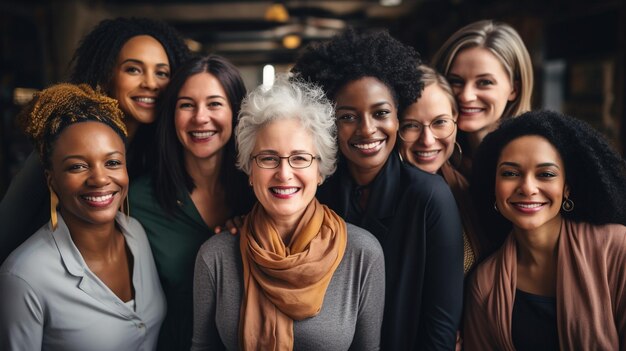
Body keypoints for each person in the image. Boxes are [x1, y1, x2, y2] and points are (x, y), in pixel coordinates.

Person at [292, 28, 463, 350]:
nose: (368, 129)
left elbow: (441, 322)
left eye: (381, 113)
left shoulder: (429, 196)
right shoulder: (313, 190)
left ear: (398, 117)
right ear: (329, 121)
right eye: (348, 117)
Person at [191, 77, 385, 351]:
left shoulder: (362, 252)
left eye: (300, 158)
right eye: (268, 158)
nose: (284, 173)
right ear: (250, 170)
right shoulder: (215, 256)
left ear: (320, 171)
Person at [0, 17, 191, 263]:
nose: (151, 83)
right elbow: (9, 224)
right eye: (133, 69)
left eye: (162, 73)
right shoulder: (67, 139)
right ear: (106, 74)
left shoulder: (156, 147)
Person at [0, 83, 165, 351]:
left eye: (112, 162)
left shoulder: (136, 233)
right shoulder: (24, 277)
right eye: (77, 166)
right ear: (51, 180)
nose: (100, 178)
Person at [465, 110, 626, 350]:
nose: (528, 187)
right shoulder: (485, 283)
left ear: (567, 188)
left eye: (546, 174)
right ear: (494, 186)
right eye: (510, 173)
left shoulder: (616, 247)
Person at [129, 54, 254, 351]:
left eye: (214, 104)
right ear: (172, 114)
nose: (200, 117)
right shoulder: (137, 200)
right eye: (187, 105)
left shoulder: (261, 192)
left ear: (236, 112)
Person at [398, 64, 487, 273]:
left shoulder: (469, 186)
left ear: (456, 118)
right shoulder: (382, 197)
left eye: (440, 122)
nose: (428, 141)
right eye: (411, 125)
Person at [431, 19, 533, 178]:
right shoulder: (428, 155)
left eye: (485, 82)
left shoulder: (537, 159)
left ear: (514, 89)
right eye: (456, 81)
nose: (466, 95)